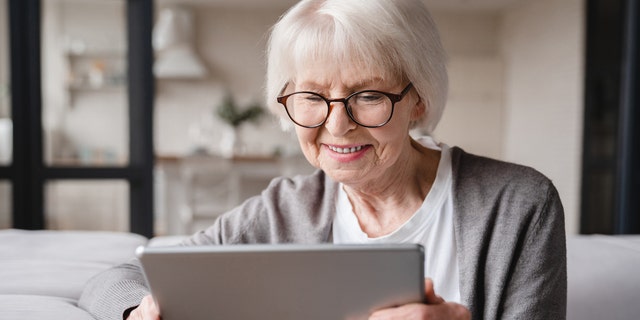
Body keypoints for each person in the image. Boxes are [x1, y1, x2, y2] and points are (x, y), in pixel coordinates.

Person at [79, 0, 567, 319]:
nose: (336, 126)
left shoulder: (519, 204)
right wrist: (134, 313)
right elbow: (112, 281)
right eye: (311, 96)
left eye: (369, 95)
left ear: (418, 99)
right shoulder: (280, 211)